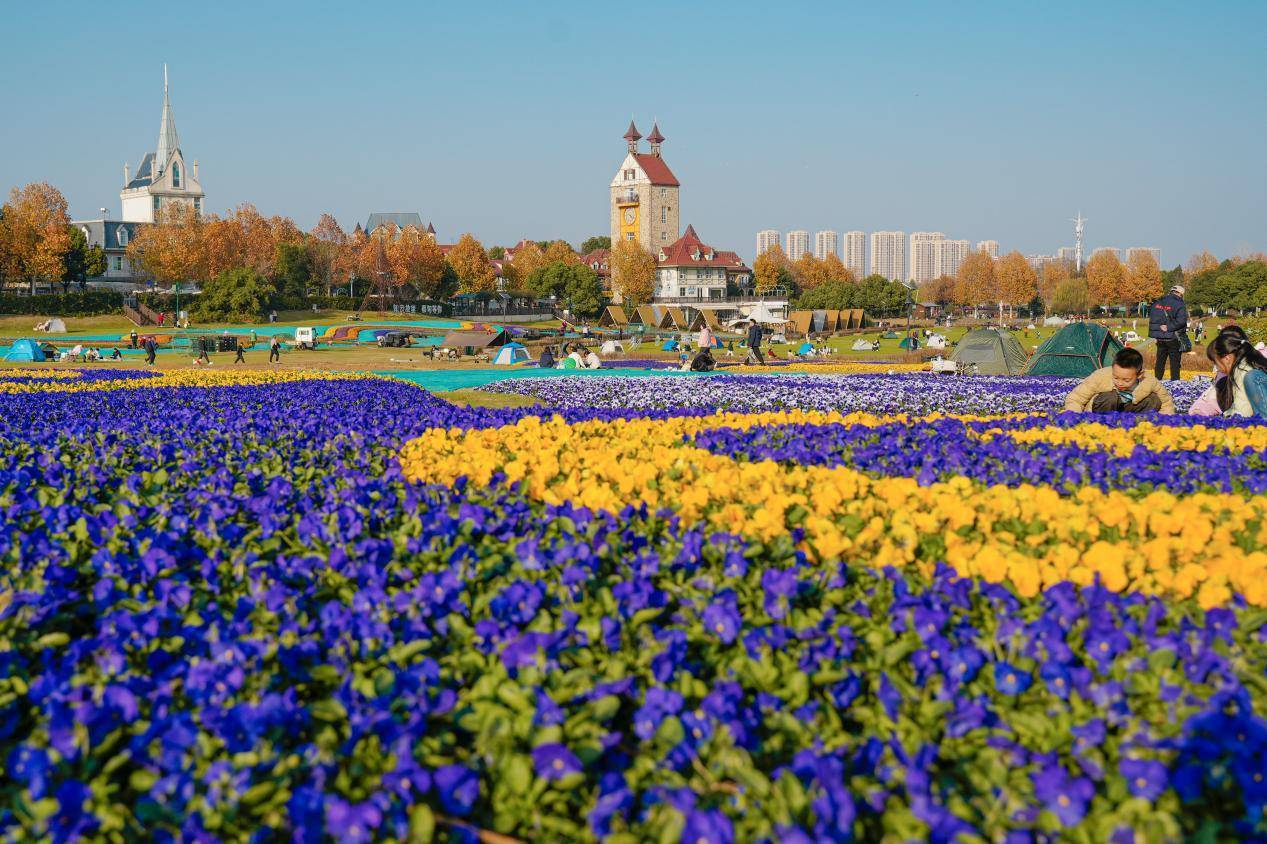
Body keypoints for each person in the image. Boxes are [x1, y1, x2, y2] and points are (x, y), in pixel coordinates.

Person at [1064, 347, 1175, 414]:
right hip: (1101, 412)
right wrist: (1076, 418)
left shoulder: (1149, 381)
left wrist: (1165, 424)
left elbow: (1166, 403)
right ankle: (1103, 424)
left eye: (1126, 380)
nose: (1120, 383)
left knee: (1153, 400)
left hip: (1129, 413)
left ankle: (1139, 424)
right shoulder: (1101, 376)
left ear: (1139, 375)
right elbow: (1075, 398)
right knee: (1111, 397)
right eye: (1116, 377)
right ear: (1112, 368)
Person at [1208, 331, 1267, 418]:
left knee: (1252, 377)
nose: (1217, 368)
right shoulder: (1247, 362)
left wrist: (1225, 419)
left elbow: (1243, 410)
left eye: (1215, 363)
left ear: (1226, 359)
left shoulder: (1242, 369)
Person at [1148, 283, 1189, 381]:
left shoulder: (1158, 302)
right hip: (1173, 337)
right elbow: (1181, 321)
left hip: (1160, 337)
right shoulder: (1179, 304)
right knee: (1175, 363)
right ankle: (1175, 384)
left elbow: (1153, 318)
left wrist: (1159, 329)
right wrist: (1168, 327)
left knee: (1160, 362)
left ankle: (1157, 382)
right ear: (1180, 294)